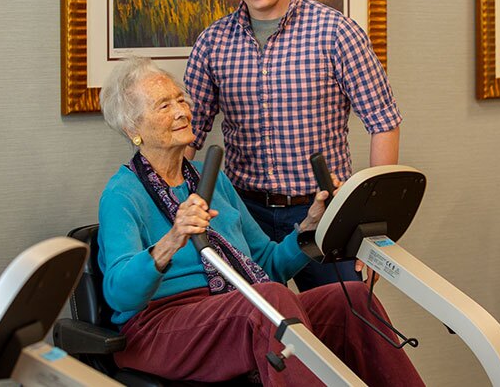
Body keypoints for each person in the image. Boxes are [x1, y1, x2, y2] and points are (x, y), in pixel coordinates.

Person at [97, 56, 423, 385]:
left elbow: (267, 264)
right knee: (268, 301)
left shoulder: (211, 179)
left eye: (181, 99)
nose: (182, 111)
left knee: (349, 298)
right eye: (164, 105)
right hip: (161, 328)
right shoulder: (123, 195)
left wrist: (311, 226)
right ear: (132, 128)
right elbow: (120, 295)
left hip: (237, 307)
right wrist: (172, 240)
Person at [184, 0, 402, 292]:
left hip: (322, 212)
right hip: (243, 217)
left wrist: (370, 227)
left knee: (345, 330)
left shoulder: (336, 32)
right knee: (259, 341)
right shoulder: (212, 44)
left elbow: (383, 123)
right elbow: (185, 140)